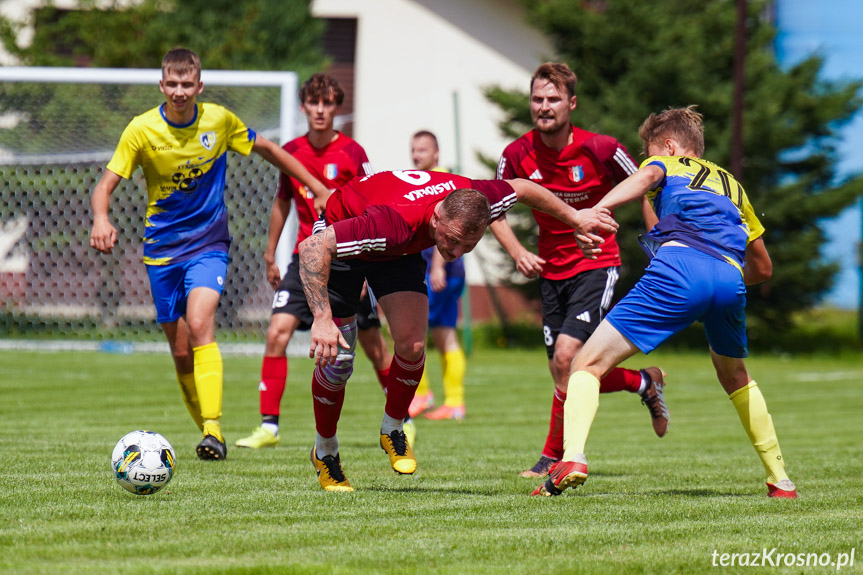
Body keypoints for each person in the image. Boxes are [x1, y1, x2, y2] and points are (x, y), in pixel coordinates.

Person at [532, 106, 797, 499]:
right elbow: (762, 267)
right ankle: (781, 479)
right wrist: (717, 280)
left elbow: (646, 177)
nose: (648, 159)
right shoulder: (733, 185)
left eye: (651, 151)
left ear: (670, 147)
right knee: (736, 376)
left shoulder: (667, 164)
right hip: (728, 277)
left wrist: (597, 210)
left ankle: (572, 457)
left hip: (680, 269)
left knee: (584, 363)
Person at [297, 169, 618, 492]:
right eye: (451, 240)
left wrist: (576, 217)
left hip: (399, 250)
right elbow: (313, 248)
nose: (455, 252)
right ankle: (325, 451)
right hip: (342, 243)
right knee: (338, 359)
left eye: (468, 245)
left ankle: (393, 428)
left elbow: (522, 188)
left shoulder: (477, 198)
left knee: (413, 345)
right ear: (437, 216)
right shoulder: (391, 223)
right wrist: (322, 319)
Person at [89, 48, 330, 461]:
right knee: (181, 352)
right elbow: (105, 186)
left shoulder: (218, 121)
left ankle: (214, 432)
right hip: (162, 251)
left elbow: (269, 149)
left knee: (202, 323)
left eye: (187, 84)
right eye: (172, 84)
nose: (180, 91)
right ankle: (205, 428)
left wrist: (315, 186)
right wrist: (100, 218)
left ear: (199, 86)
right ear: (161, 85)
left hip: (208, 244)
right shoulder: (141, 129)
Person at [492, 62, 668, 478]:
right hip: (551, 270)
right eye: (537, 99)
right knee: (564, 369)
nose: (544, 106)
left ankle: (556, 456)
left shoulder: (602, 148)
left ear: (571, 103)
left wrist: (658, 244)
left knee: (570, 356)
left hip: (596, 263)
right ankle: (644, 383)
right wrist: (517, 250)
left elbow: (648, 184)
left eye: (553, 99)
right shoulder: (516, 154)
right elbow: (493, 206)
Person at [233, 73, 395, 449]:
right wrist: (270, 253)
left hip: (351, 260)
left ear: (337, 108)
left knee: (372, 345)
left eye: (328, 104)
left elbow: (373, 203)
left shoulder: (354, 153)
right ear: (304, 107)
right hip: (304, 259)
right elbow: (283, 201)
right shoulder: (291, 150)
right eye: (314, 103)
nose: (320, 111)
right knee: (276, 333)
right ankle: (269, 428)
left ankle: (398, 419)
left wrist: (371, 262)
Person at [404, 130, 468, 421]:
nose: (417, 155)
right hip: (441, 271)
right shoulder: (423, 181)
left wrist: (438, 266)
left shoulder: (443, 184)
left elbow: (451, 230)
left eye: (423, 149)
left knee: (412, 332)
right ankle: (452, 402)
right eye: (414, 149)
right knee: (443, 336)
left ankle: (423, 395)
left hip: (443, 271)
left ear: (437, 153)